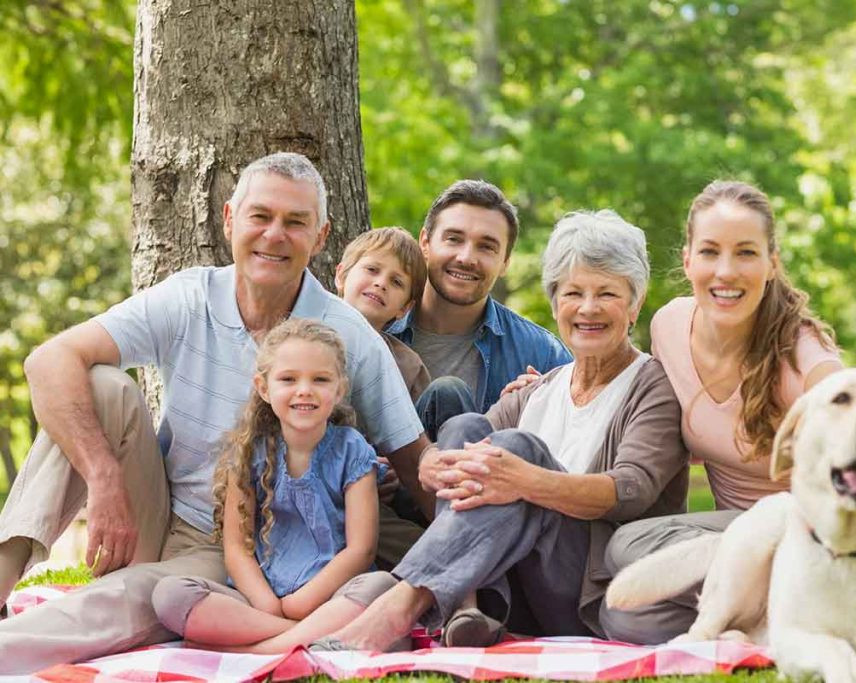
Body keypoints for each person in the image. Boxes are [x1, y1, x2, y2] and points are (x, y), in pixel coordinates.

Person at [0, 153, 432, 674]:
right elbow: (47, 360)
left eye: (295, 223)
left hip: (238, 548)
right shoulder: (189, 296)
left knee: (135, 597)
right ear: (230, 219)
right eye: (260, 216)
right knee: (92, 384)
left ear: (320, 238)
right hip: (157, 509)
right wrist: (105, 480)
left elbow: (414, 459)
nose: (274, 235)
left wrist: (463, 560)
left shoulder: (349, 334)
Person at [218, 209, 691, 653]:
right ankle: (463, 604)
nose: (588, 308)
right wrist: (416, 468)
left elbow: (632, 490)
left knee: (515, 447)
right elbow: (458, 453)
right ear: (555, 302)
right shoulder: (540, 390)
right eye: (572, 293)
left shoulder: (651, 385)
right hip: (517, 591)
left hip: (592, 591)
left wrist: (527, 480)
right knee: (465, 426)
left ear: (635, 303)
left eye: (606, 293)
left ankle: (404, 604)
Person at [601, 179, 843, 644]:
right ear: (688, 259)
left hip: (806, 537)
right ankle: (770, 620)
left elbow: (850, 404)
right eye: (710, 252)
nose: (726, 271)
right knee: (625, 619)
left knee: (627, 547)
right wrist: (545, 384)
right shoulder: (670, 325)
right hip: (737, 553)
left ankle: (793, 604)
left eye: (746, 253)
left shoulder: (801, 351)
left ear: (772, 263)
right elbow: (637, 397)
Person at [151, 319, 379, 647]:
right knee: (172, 596)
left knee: (380, 587)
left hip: (333, 596)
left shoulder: (352, 449)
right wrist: (270, 605)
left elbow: (361, 549)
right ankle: (301, 640)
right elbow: (237, 548)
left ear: (339, 388)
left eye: (320, 379)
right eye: (288, 379)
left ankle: (259, 649)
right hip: (262, 600)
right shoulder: (248, 452)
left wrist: (301, 603)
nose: (304, 390)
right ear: (263, 387)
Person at [389, 179, 572, 439]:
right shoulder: (373, 328)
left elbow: (580, 442)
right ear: (425, 243)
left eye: (486, 247)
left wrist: (540, 412)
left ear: (505, 262)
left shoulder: (542, 355)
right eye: (454, 239)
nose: (466, 258)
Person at [334, 227, 430, 402]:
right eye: (372, 269)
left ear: (405, 308)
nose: (381, 283)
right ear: (341, 276)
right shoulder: (302, 334)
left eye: (396, 282)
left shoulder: (408, 366)